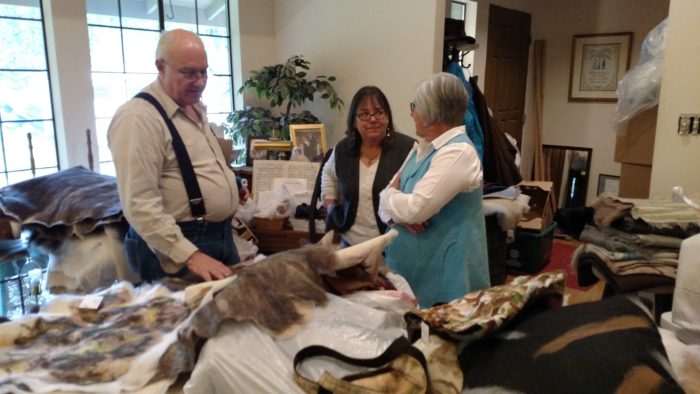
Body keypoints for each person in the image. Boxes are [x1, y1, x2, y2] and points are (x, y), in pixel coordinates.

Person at [108, 29, 242, 283]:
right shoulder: (138, 118)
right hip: (177, 248)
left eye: (204, 71)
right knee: (187, 321)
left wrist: (229, 186)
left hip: (219, 238)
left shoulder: (191, 106)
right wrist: (189, 255)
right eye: (188, 73)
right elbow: (139, 205)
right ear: (160, 66)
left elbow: (191, 167)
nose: (200, 81)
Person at [378, 72, 490, 307]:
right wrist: (397, 210)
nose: (411, 113)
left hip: (444, 274)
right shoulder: (422, 147)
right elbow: (383, 201)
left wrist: (396, 203)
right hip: (413, 269)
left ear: (431, 113)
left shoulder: (457, 153)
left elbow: (415, 210)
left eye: (414, 106)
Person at [321, 86, 415, 246]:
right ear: (354, 121)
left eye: (379, 112)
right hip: (350, 244)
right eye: (364, 114)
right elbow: (328, 174)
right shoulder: (342, 150)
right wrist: (330, 206)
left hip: (392, 246)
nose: (373, 119)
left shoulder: (407, 149)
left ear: (387, 117)